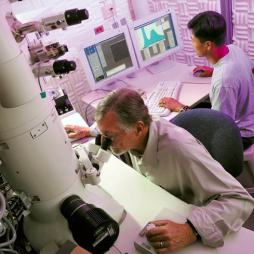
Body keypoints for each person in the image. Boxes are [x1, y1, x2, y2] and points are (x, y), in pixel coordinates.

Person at [66, 88, 254, 253]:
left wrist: (191, 229)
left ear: (139, 129)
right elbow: (114, 128)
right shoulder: (134, 130)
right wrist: (89, 132)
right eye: (103, 133)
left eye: (109, 136)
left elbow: (240, 200)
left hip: (187, 215)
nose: (105, 141)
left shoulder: (181, 150)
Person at [158, 11, 254, 149]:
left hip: (241, 135)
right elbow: (247, 69)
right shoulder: (234, 50)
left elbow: (217, 127)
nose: (191, 43)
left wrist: (179, 107)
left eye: (193, 39)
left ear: (208, 45)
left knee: (176, 136)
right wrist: (214, 71)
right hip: (249, 119)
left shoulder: (223, 82)